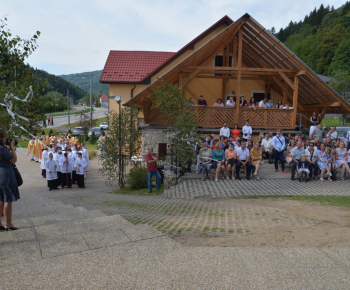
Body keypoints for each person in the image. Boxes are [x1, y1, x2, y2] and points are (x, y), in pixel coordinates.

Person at [0, 130, 19, 231]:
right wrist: (12, 147)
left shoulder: (2, 149)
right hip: (5, 175)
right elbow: (14, 159)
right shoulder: (1, 149)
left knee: (1, 198)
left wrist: (7, 148)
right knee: (8, 199)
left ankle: (0, 224)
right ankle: (8, 223)